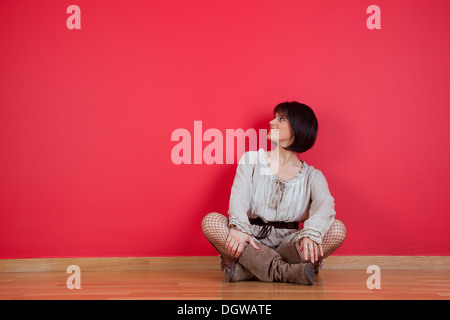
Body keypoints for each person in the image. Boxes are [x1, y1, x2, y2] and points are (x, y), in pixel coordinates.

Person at [201, 101, 347, 285]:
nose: (271, 122)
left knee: (337, 229)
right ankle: (285, 272)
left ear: (298, 128)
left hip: (291, 246)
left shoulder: (312, 175)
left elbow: (325, 205)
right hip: (251, 241)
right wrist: (239, 228)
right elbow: (239, 198)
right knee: (211, 221)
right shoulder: (251, 160)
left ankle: (250, 270)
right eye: (274, 117)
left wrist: (311, 233)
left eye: (281, 119)